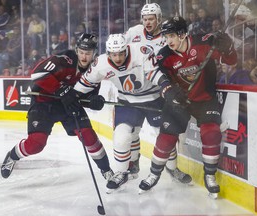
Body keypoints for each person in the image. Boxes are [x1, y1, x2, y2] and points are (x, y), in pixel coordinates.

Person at [139, 16, 237, 198]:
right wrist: (170, 92)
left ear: (183, 34)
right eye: (166, 36)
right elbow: (162, 81)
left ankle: (210, 176)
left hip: (205, 98)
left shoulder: (205, 43)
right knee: (166, 138)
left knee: (211, 133)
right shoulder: (164, 56)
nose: (168, 41)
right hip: (180, 100)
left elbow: (231, 61)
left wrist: (228, 48)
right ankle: (153, 174)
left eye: (172, 36)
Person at [1, 33, 114, 183]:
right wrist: (61, 89)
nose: (84, 57)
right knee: (36, 144)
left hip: (68, 105)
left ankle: (107, 171)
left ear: (94, 53)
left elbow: (85, 97)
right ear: (76, 50)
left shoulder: (94, 71)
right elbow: (37, 73)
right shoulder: (64, 59)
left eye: (88, 53)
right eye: (81, 52)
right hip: (43, 103)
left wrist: (94, 101)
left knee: (89, 136)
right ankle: (12, 156)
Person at [74, 33, 177, 193]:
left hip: (153, 97)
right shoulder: (100, 63)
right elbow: (85, 83)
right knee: (121, 137)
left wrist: (165, 85)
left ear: (126, 50)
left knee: (164, 134)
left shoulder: (141, 52)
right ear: (108, 53)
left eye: (121, 53)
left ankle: (172, 168)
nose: (118, 58)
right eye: (114, 54)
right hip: (127, 101)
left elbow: (154, 73)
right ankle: (122, 172)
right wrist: (71, 96)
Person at [125, 3, 192, 184]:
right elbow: (118, 54)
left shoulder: (166, 37)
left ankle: (172, 168)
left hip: (157, 93)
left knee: (164, 133)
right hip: (134, 93)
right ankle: (133, 162)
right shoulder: (133, 32)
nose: (147, 22)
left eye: (151, 19)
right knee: (131, 131)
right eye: (145, 19)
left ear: (158, 18)